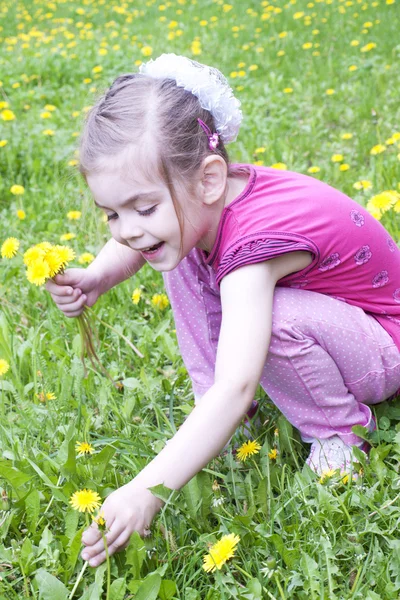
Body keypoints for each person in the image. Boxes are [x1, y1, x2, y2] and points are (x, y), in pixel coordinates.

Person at [46, 54, 400, 567]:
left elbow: (238, 383)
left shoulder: (252, 248)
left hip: (384, 345)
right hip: (344, 328)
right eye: (112, 213)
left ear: (209, 177)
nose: (126, 228)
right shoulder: (202, 205)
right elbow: (138, 240)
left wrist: (149, 488)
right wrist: (99, 275)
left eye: (143, 208)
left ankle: (340, 435)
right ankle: (210, 414)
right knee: (172, 251)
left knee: (270, 319)